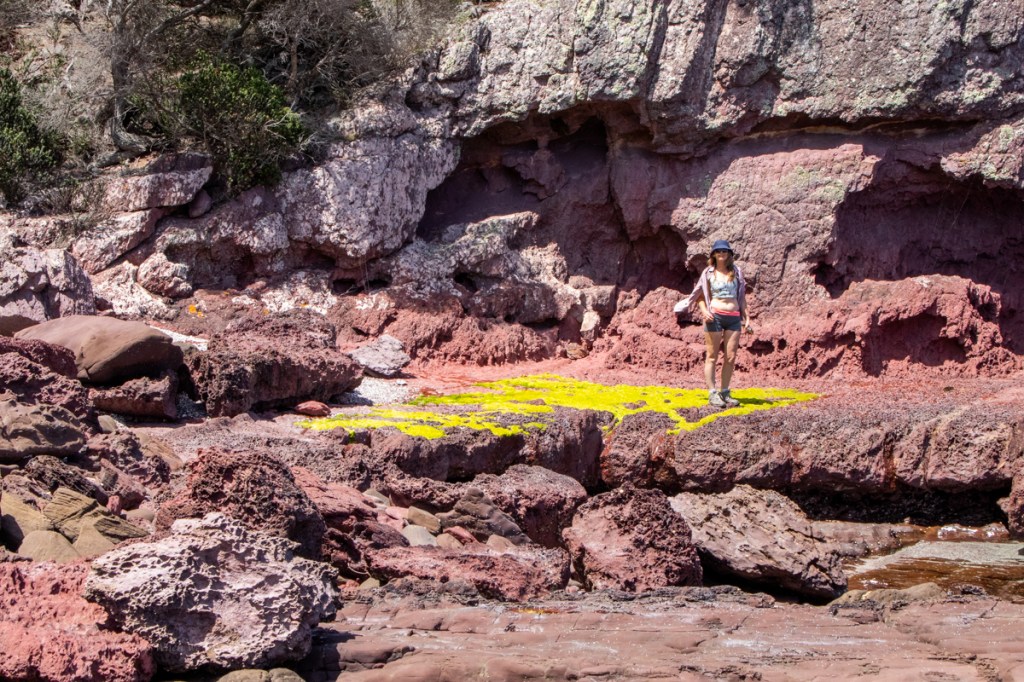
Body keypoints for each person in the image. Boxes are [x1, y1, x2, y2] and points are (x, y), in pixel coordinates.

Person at [676, 239, 752, 408]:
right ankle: (712, 392)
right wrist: (704, 311)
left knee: (730, 357)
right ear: (714, 255)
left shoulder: (736, 272)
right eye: (718, 251)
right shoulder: (708, 273)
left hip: (734, 317)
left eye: (724, 251)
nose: (721, 254)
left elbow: (741, 298)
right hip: (715, 317)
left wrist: (747, 318)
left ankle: (725, 392)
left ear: (729, 254)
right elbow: (699, 295)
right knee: (712, 356)